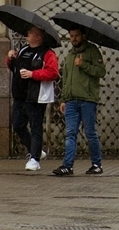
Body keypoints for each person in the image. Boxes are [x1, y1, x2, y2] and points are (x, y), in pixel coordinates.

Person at [52, 26, 106, 176]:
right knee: (70, 133)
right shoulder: (70, 55)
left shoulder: (92, 51)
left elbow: (101, 71)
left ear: (83, 36)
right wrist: (63, 99)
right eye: (71, 36)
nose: (73, 38)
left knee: (90, 132)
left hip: (87, 99)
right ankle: (67, 166)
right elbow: (66, 80)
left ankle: (96, 164)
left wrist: (84, 65)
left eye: (76, 35)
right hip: (71, 101)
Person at [6, 24, 60, 172]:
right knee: (18, 125)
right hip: (20, 95)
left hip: (36, 96)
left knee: (35, 127)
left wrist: (33, 74)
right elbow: (15, 69)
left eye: (31, 32)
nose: (27, 34)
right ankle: (35, 150)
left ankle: (34, 159)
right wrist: (11, 59)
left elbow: (53, 73)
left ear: (39, 36)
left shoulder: (47, 53)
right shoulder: (24, 50)